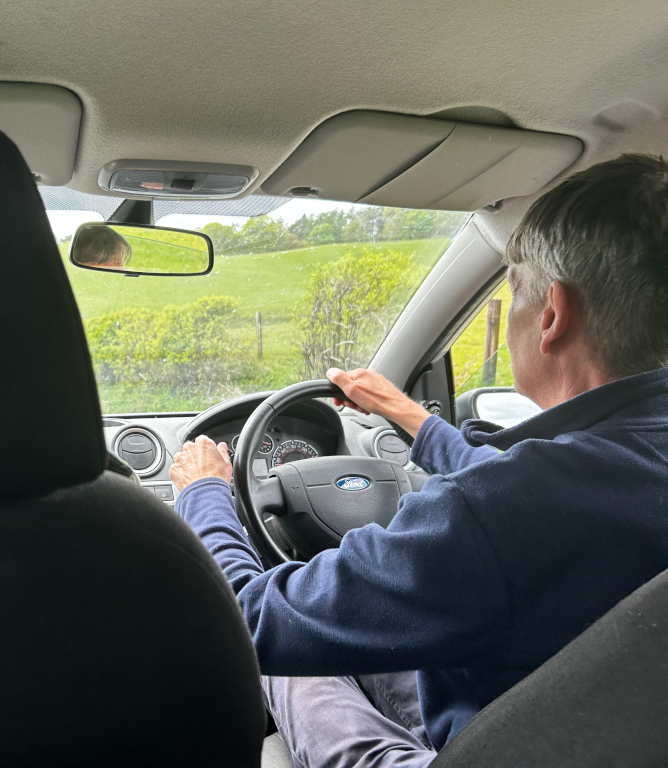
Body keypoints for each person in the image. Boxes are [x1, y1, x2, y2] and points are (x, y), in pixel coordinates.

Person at [169, 154, 668, 767]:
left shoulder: (507, 509)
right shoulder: (612, 464)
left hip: (493, 746)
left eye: (514, 294)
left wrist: (205, 492)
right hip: (580, 729)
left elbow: (247, 620)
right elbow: (527, 490)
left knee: (301, 672)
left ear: (552, 315)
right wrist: (410, 417)